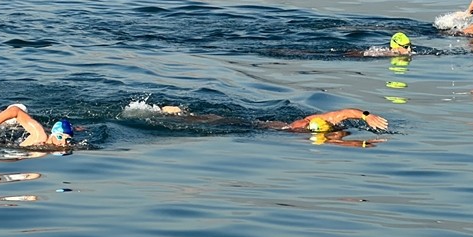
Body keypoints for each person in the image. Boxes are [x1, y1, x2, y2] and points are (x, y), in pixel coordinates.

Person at [160, 104, 388, 134]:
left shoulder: (330, 128)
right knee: (218, 121)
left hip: (271, 129)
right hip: (262, 127)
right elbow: (348, 111)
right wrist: (367, 115)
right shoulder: (314, 120)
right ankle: (182, 114)